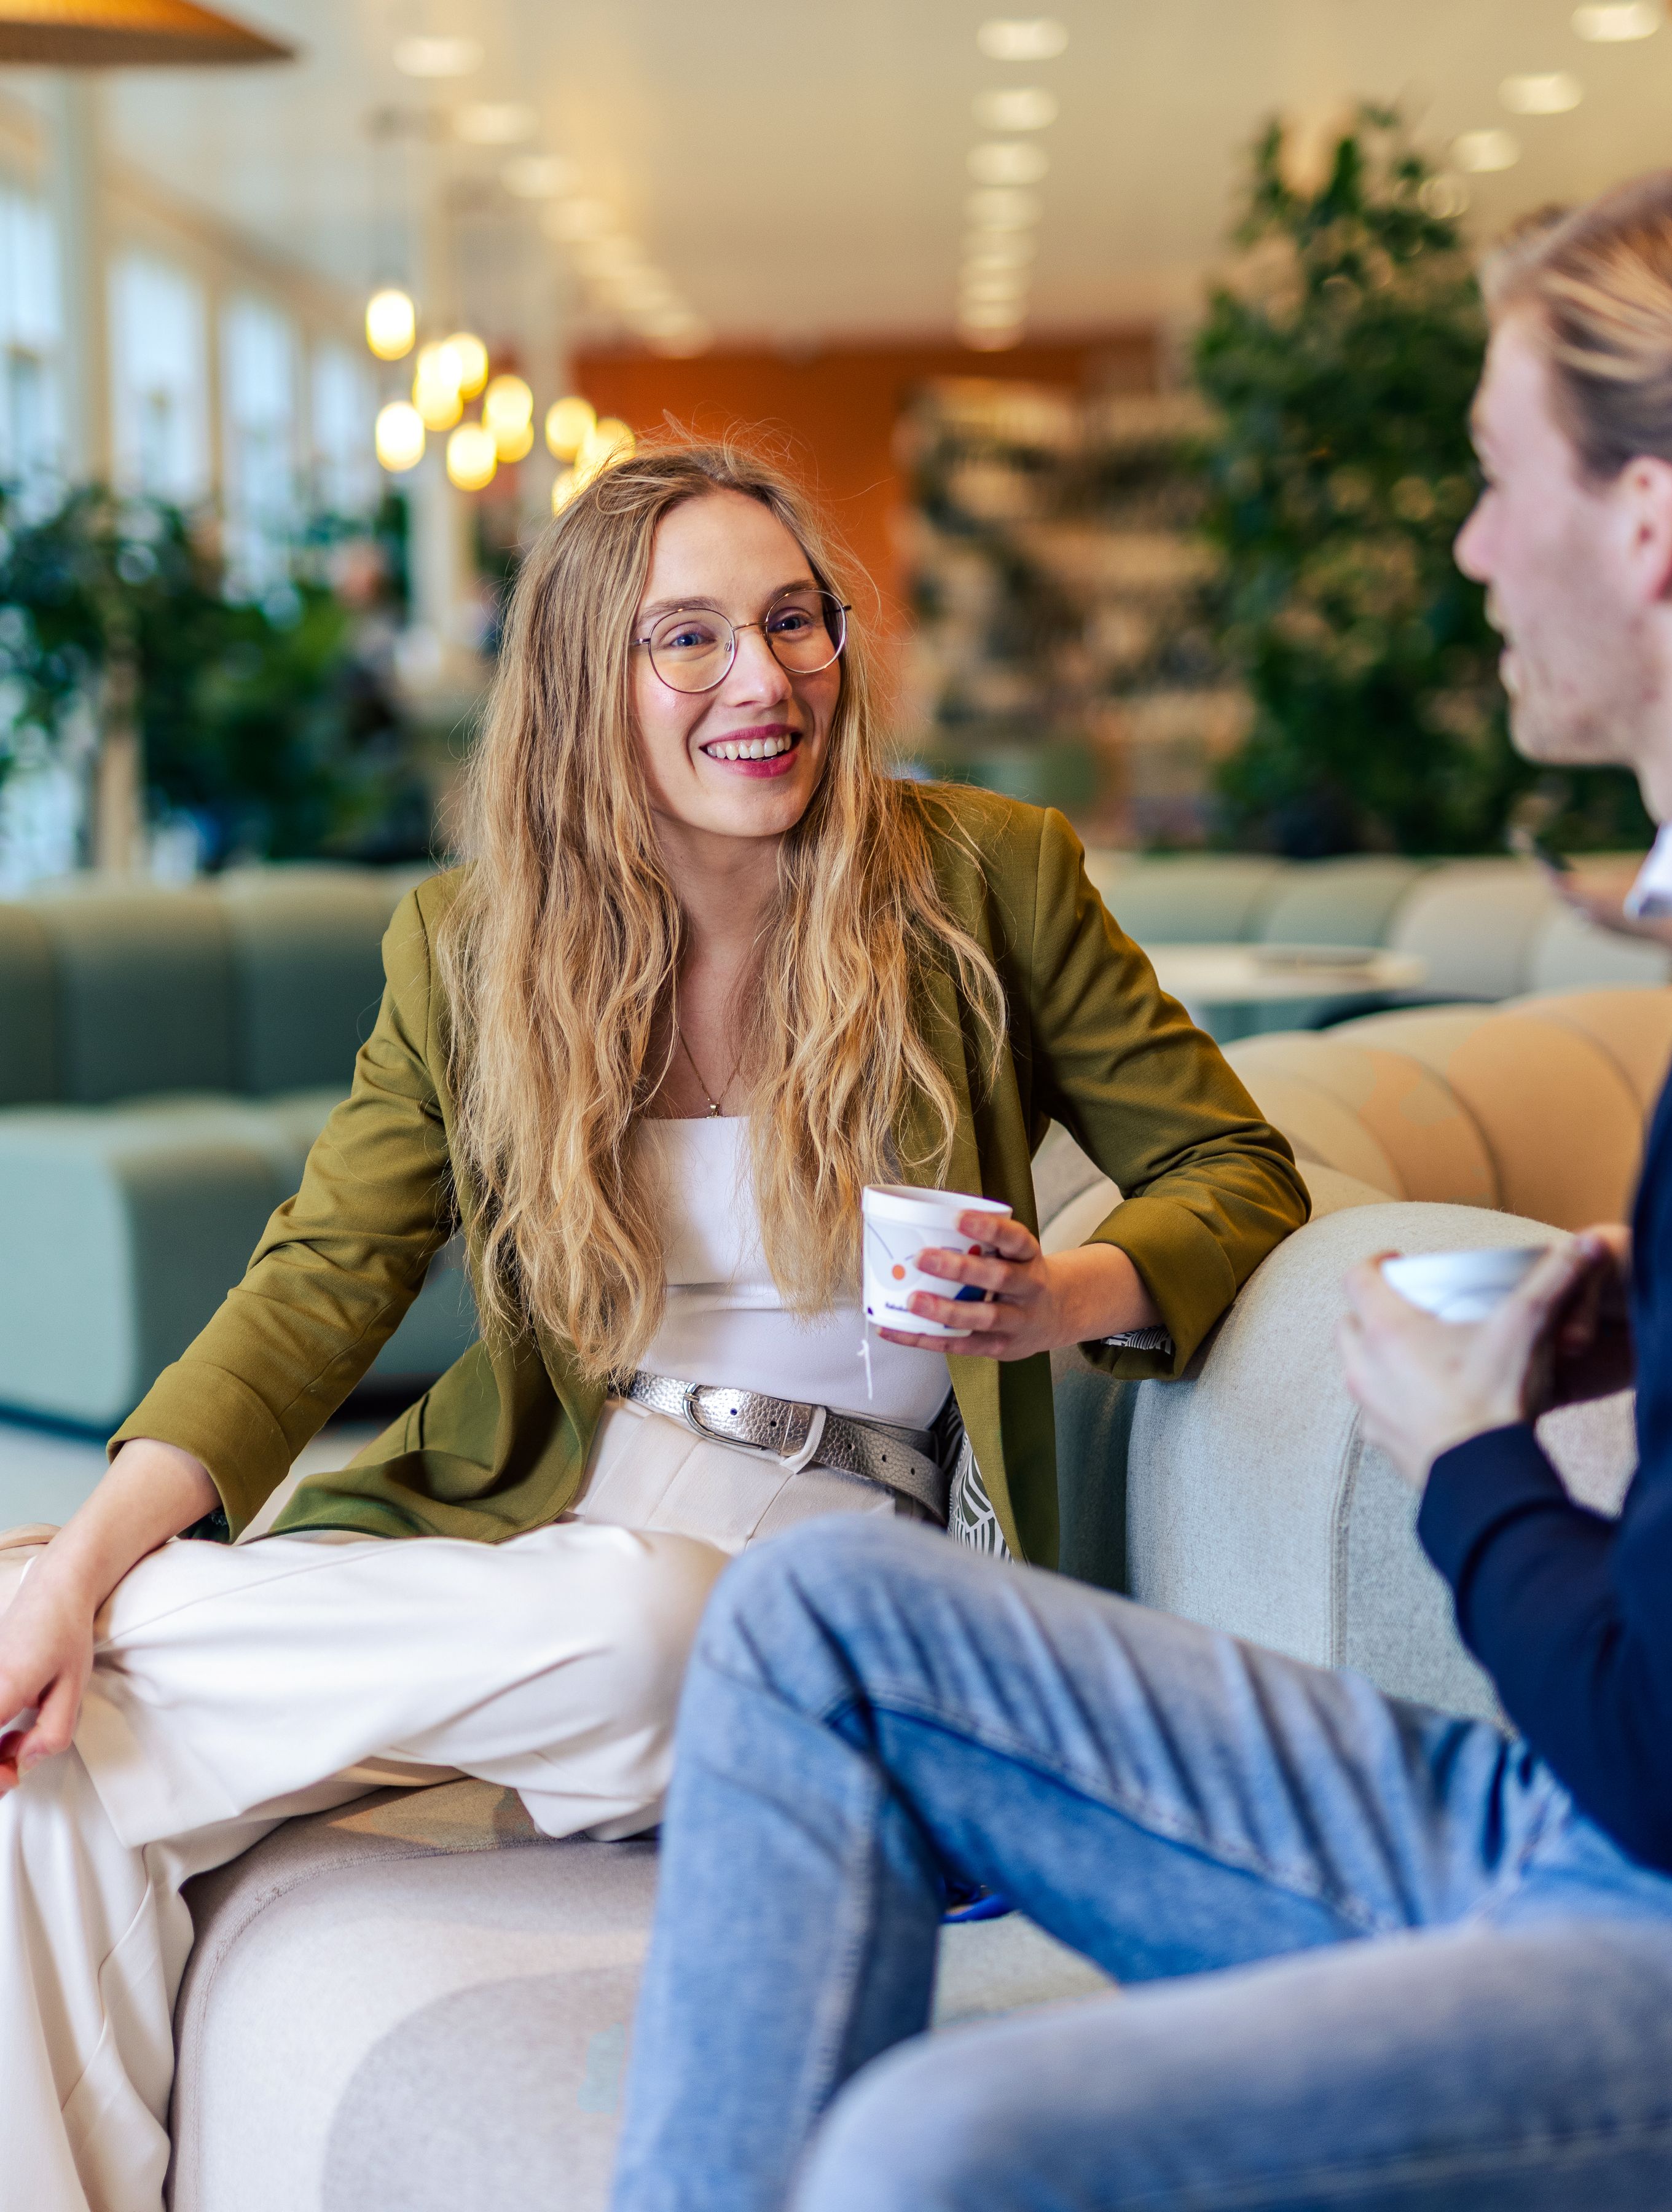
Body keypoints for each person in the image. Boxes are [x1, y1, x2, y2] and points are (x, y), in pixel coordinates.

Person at [607, 152, 1672, 2212]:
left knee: (949, 2149)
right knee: (824, 1610)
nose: (1468, 548)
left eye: (1494, 473)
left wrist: (1474, 1457)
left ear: (1656, 523)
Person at [0, 441, 1306, 2212]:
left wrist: (1061, 1296)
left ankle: (136, 1609)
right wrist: (79, 1572)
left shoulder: (986, 879)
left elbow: (1233, 1165)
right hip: (539, 1544)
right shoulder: (474, 946)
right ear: (581, 686)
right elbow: (321, 1279)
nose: (762, 682)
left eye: (793, 623)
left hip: (838, 1594)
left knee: (633, 1618)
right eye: (686, 640)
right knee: (50, 1772)